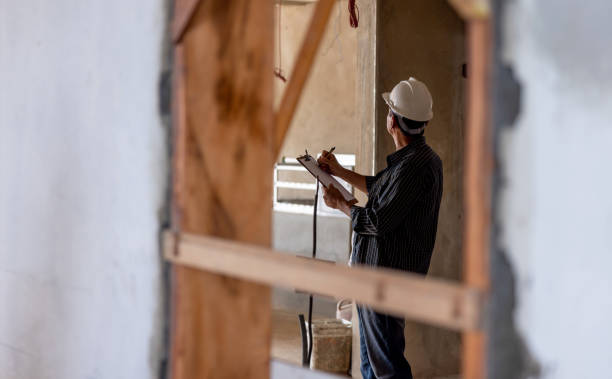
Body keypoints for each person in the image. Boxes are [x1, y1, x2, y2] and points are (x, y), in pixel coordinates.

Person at [318, 78, 443, 379]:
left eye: (389, 110)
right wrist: (339, 171)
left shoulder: (413, 167)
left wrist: (341, 205)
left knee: (387, 368)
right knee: (372, 366)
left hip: (385, 280)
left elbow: (378, 220)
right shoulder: (415, 161)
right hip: (378, 277)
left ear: (393, 121)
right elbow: (380, 188)